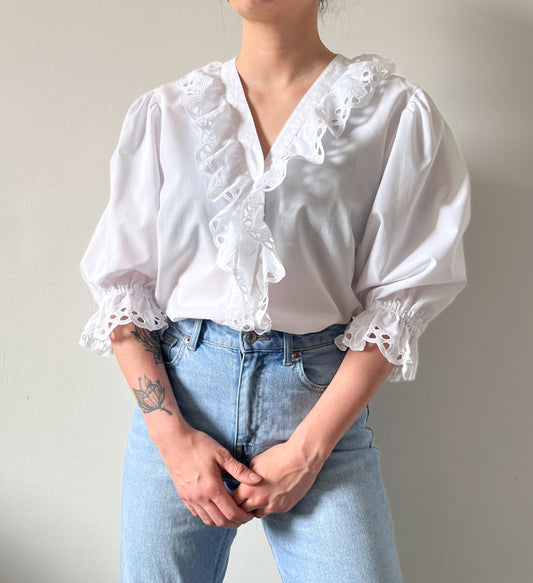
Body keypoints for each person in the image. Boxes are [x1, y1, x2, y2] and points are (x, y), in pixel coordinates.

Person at [79, 0, 470, 581]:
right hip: (179, 398)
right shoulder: (167, 115)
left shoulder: (392, 114)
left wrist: (310, 451)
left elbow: (399, 302)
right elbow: (126, 291)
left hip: (317, 403)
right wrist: (171, 438)